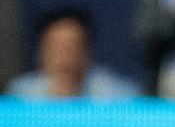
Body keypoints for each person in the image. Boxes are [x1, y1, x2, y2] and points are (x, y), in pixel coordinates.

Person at [8, 9, 141, 101]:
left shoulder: (119, 96)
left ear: (88, 52)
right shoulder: (20, 96)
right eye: (57, 48)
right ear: (41, 53)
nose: (65, 58)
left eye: (72, 47)